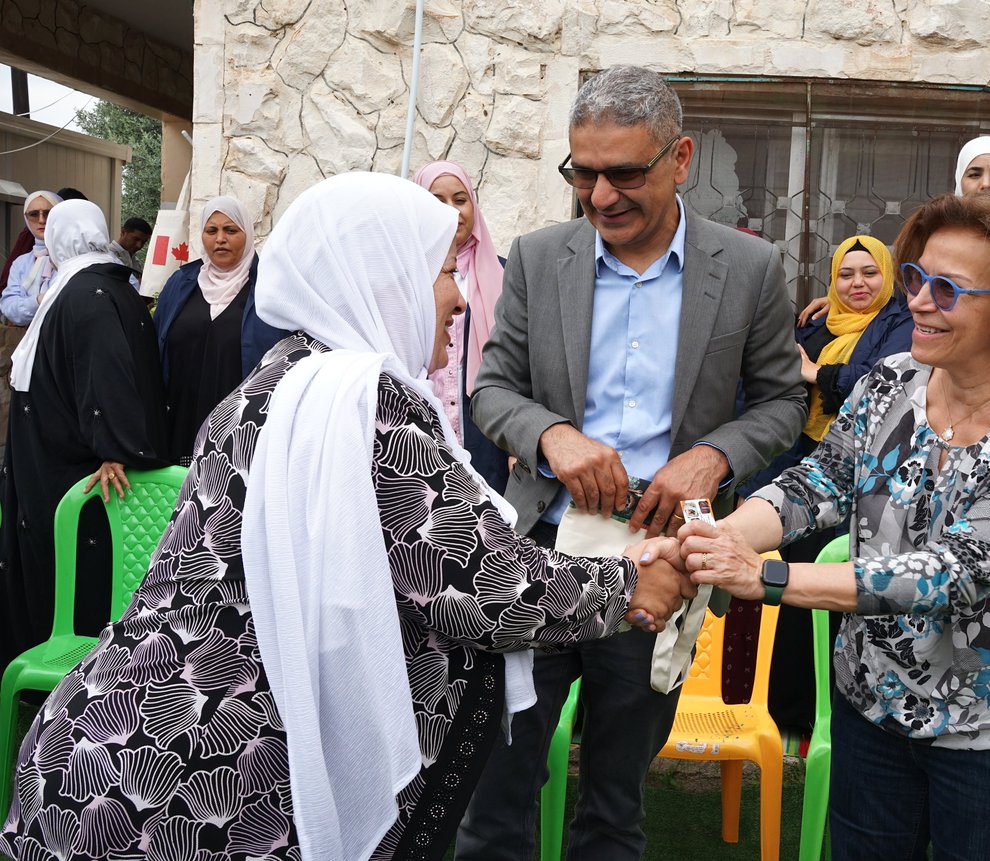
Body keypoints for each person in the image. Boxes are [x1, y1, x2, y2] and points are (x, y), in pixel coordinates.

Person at [0, 173, 695, 861]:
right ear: (382, 280)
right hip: (197, 784)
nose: (457, 299)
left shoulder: (275, 384)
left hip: (102, 741)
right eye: (441, 272)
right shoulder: (368, 411)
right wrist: (632, 583)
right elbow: (485, 589)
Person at [672, 191, 990, 860]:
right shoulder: (892, 380)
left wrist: (766, 576)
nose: (917, 302)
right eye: (915, 278)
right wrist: (730, 534)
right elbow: (821, 481)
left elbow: (951, 574)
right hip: (873, 707)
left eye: (947, 289)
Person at [455, 65, 807, 861]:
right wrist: (552, 436)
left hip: (661, 563)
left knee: (615, 803)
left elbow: (783, 404)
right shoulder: (539, 258)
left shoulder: (746, 268)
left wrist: (714, 456)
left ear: (680, 160)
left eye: (624, 173)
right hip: (538, 557)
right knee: (497, 791)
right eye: (583, 173)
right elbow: (493, 391)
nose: (601, 195)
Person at [742, 234, 912, 732]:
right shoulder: (819, 321)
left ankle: (837, 714)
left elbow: (877, 381)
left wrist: (814, 372)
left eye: (870, 273)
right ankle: (788, 711)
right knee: (790, 593)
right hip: (803, 466)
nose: (858, 284)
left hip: (867, 475)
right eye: (845, 274)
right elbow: (773, 370)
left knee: (842, 587)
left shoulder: (899, 323)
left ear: (889, 276)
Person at [0, 199, 167, 669]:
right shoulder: (104, 283)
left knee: (66, 574)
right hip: (67, 449)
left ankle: (67, 675)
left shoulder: (83, 291)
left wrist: (115, 445)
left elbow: (106, 368)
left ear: (59, 236)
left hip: (68, 461)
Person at [796, 134, 990, 328]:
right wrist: (841, 303)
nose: (987, 184)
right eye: (974, 174)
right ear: (959, 179)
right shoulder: (933, 234)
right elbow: (907, 301)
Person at [153, 196, 288, 464]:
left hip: (241, 429)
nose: (220, 239)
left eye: (231, 230)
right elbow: (155, 350)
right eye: (211, 231)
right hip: (177, 424)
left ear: (247, 235)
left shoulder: (268, 290)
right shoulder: (180, 284)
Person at [413, 160, 510, 491]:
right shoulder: (404, 276)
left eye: (460, 199)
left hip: (486, 431)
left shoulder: (507, 275)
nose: (451, 210)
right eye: (437, 200)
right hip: (421, 423)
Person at [1, 190, 63, 326]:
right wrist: (38, 301)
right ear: (26, 219)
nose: (41, 220)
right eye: (34, 214)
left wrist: (25, 305)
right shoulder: (20, 263)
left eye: (48, 213)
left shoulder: (71, 258)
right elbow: (8, 306)